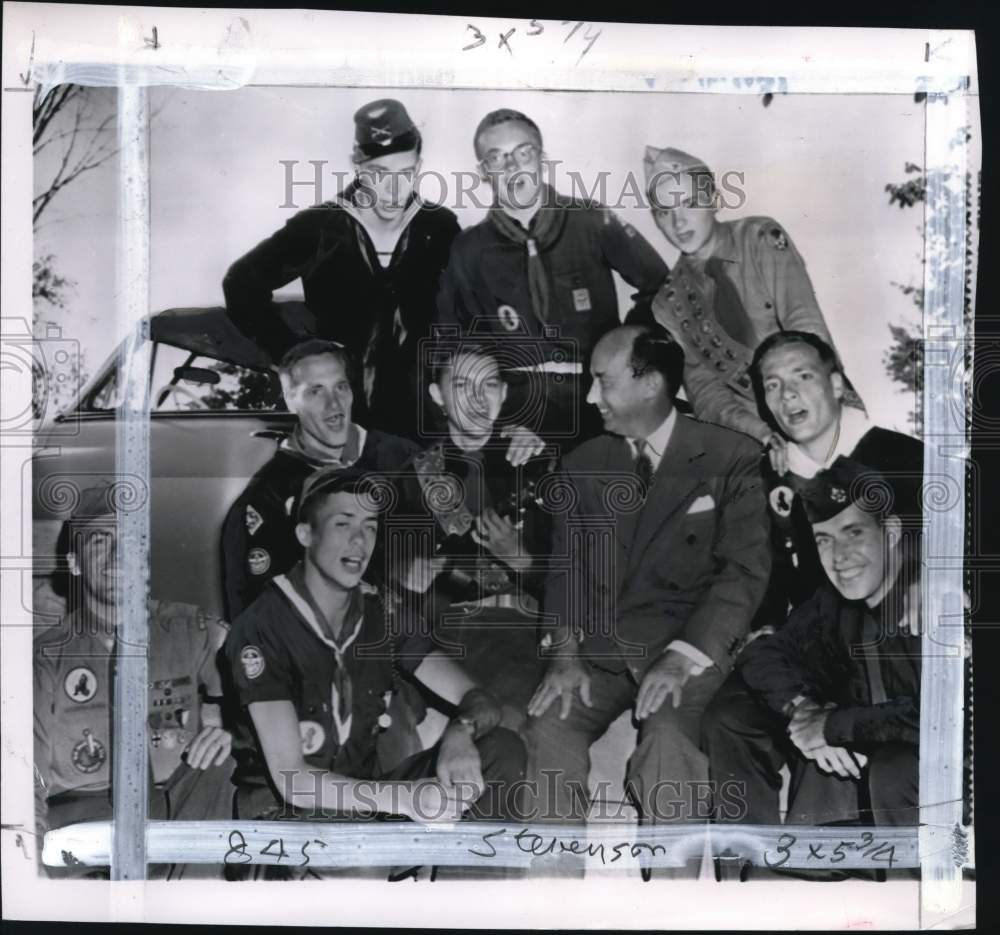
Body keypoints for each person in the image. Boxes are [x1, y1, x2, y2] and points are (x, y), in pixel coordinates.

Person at [522, 324, 770, 853]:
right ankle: (552, 889)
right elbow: (566, 570)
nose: (591, 397)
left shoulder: (733, 457)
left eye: (603, 382)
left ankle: (671, 889)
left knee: (667, 737)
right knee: (549, 725)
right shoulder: (583, 463)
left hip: (687, 646)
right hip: (602, 652)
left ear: (651, 383)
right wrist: (563, 653)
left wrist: (683, 657)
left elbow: (743, 572)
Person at [224, 468, 526, 836]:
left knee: (501, 750)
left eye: (369, 526)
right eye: (343, 524)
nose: (359, 541)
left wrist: (460, 732)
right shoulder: (261, 627)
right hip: (284, 821)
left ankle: (467, 874)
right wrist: (405, 799)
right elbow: (293, 781)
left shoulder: (380, 611)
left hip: (366, 803)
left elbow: (478, 698)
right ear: (305, 535)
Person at [702, 329, 923, 826]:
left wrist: (935, 572)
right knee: (728, 718)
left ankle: (830, 846)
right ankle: (749, 865)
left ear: (837, 384)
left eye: (802, 376)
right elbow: (760, 568)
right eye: (772, 385)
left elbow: (968, 534)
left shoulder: (903, 457)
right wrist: (761, 627)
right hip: (812, 644)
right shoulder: (768, 476)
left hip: (888, 653)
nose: (788, 395)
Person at [223, 98, 460, 439]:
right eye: (379, 173)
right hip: (339, 420)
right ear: (357, 166)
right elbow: (240, 283)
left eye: (406, 173)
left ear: (419, 166)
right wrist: (291, 355)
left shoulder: (439, 227)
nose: (394, 190)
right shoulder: (319, 227)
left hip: (419, 422)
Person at [34, 484, 235, 878]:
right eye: (99, 542)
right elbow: (25, 781)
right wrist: (31, 874)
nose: (117, 556)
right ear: (74, 563)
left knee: (224, 768)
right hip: (88, 825)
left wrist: (226, 729)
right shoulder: (46, 658)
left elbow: (257, 695)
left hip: (178, 812)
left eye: (130, 542)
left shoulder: (192, 630)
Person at [435, 108, 669, 445]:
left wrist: (624, 350)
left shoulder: (591, 220)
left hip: (598, 397)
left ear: (542, 159)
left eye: (523, 153)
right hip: (517, 411)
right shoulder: (469, 249)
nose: (512, 167)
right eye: (497, 158)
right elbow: (452, 339)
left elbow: (661, 286)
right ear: (484, 172)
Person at [724, 457, 921, 829]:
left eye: (854, 532)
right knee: (728, 713)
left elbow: (933, 720)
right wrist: (803, 710)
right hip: (869, 778)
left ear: (891, 532)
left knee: (892, 767)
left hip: (942, 791)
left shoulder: (926, 600)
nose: (839, 556)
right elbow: (761, 652)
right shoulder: (833, 602)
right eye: (824, 540)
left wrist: (831, 725)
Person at [632, 146, 860, 443]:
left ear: (715, 199)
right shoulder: (669, 303)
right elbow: (705, 392)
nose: (679, 222)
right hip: (760, 437)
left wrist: (824, 413)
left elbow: (805, 324)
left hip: (823, 408)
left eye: (690, 203)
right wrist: (762, 435)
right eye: (665, 212)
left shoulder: (759, 239)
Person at [395, 342, 554, 731]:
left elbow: (576, 579)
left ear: (504, 393)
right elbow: (386, 563)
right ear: (438, 395)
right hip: (433, 629)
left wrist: (523, 562)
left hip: (514, 626)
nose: (477, 399)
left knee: (507, 720)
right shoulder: (414, 475)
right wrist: (402, 569)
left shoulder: (538, 463)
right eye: (462, 385)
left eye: (489, 385)